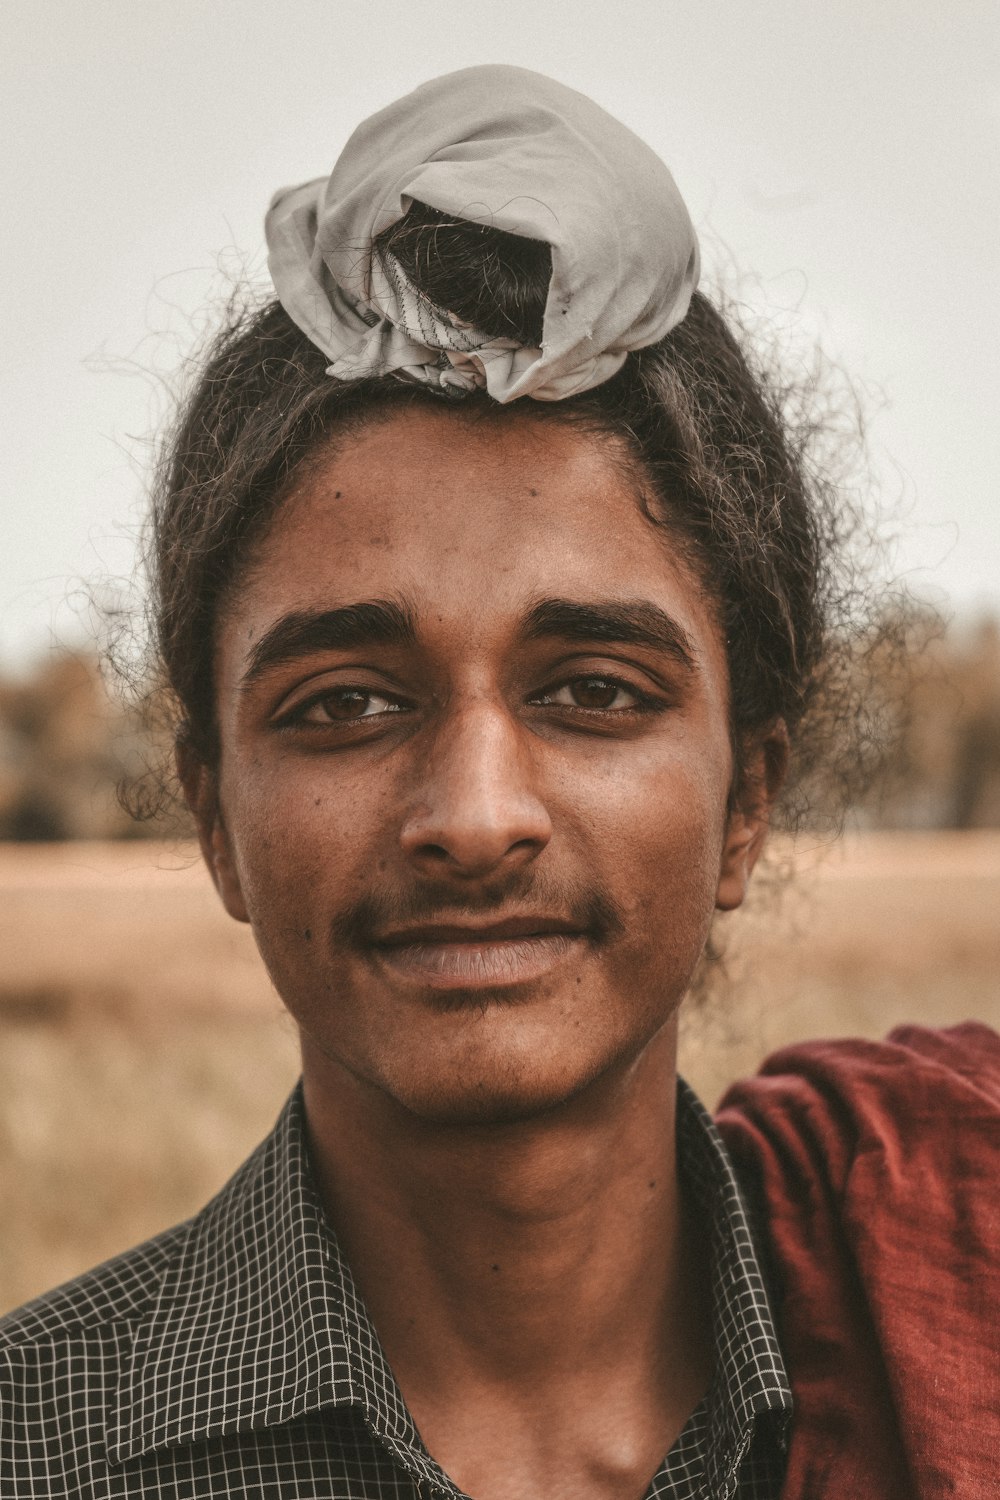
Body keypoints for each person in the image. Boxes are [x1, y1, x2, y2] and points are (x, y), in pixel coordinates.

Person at [1, 65, 996, 1500]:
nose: (473, 816)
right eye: (344, 704)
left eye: (594, 692)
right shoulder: (39, 1450)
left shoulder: (950, 1323)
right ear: (214, 813)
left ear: (749, 801)